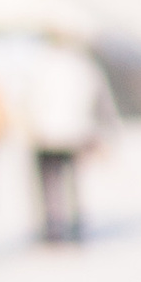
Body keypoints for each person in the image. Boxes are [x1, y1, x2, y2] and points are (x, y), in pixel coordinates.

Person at [24, 37, 115, 244]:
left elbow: (30, 99)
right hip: (77, 132)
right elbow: (101, 100)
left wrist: (30, 127)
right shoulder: (84, 67)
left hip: (46, 134)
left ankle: (53, 228)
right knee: (72, 181)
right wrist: (105, 132)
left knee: (49, 183)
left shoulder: (40, 66)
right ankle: (76, 226)